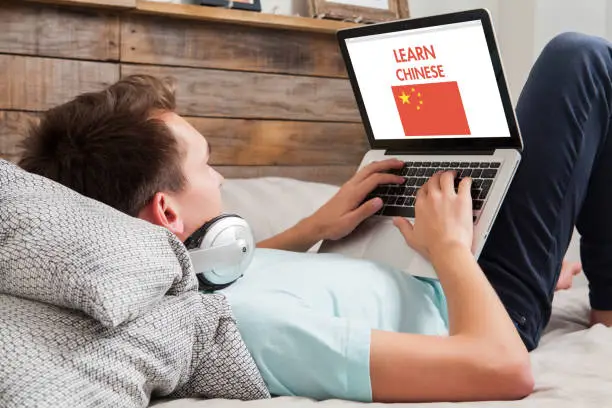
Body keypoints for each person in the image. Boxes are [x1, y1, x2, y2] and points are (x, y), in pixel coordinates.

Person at [16, 32, 609, 403]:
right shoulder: (251, 328)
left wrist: (317, 227)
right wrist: (454, 252)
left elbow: (231, 272)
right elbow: (502, 369)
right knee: (578, 60)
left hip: (435, 262)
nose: (222, 180)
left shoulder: (180, 281)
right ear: (167, 210)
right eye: (208, 164)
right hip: (485, 308)